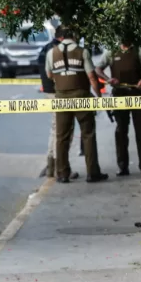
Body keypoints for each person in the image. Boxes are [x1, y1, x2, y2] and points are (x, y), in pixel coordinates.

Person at [45, 25, 108, 183]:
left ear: (60, 37)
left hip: (61, 99)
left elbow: (49, 74)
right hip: (81, 96)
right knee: (88, 134)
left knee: (61, 137)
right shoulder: (82, 51)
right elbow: (92, 77)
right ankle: (92, 173)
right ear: (73, 35)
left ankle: (62, 173)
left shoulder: (51, 53)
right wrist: (98, 95)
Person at [94, 38, 141, 176]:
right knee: (121, 131)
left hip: (137, 95)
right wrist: (108, 79)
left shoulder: (139, 50)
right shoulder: (111, 51)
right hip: (119, 96)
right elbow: (98, 69)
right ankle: (122, 166)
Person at [38, 30, 77, 179]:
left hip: (49, 92)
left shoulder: (45, 48)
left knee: (55, 129)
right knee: (64, 130)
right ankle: (61, 167)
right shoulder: (57, 51)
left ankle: (51, 166)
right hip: (59, 92)